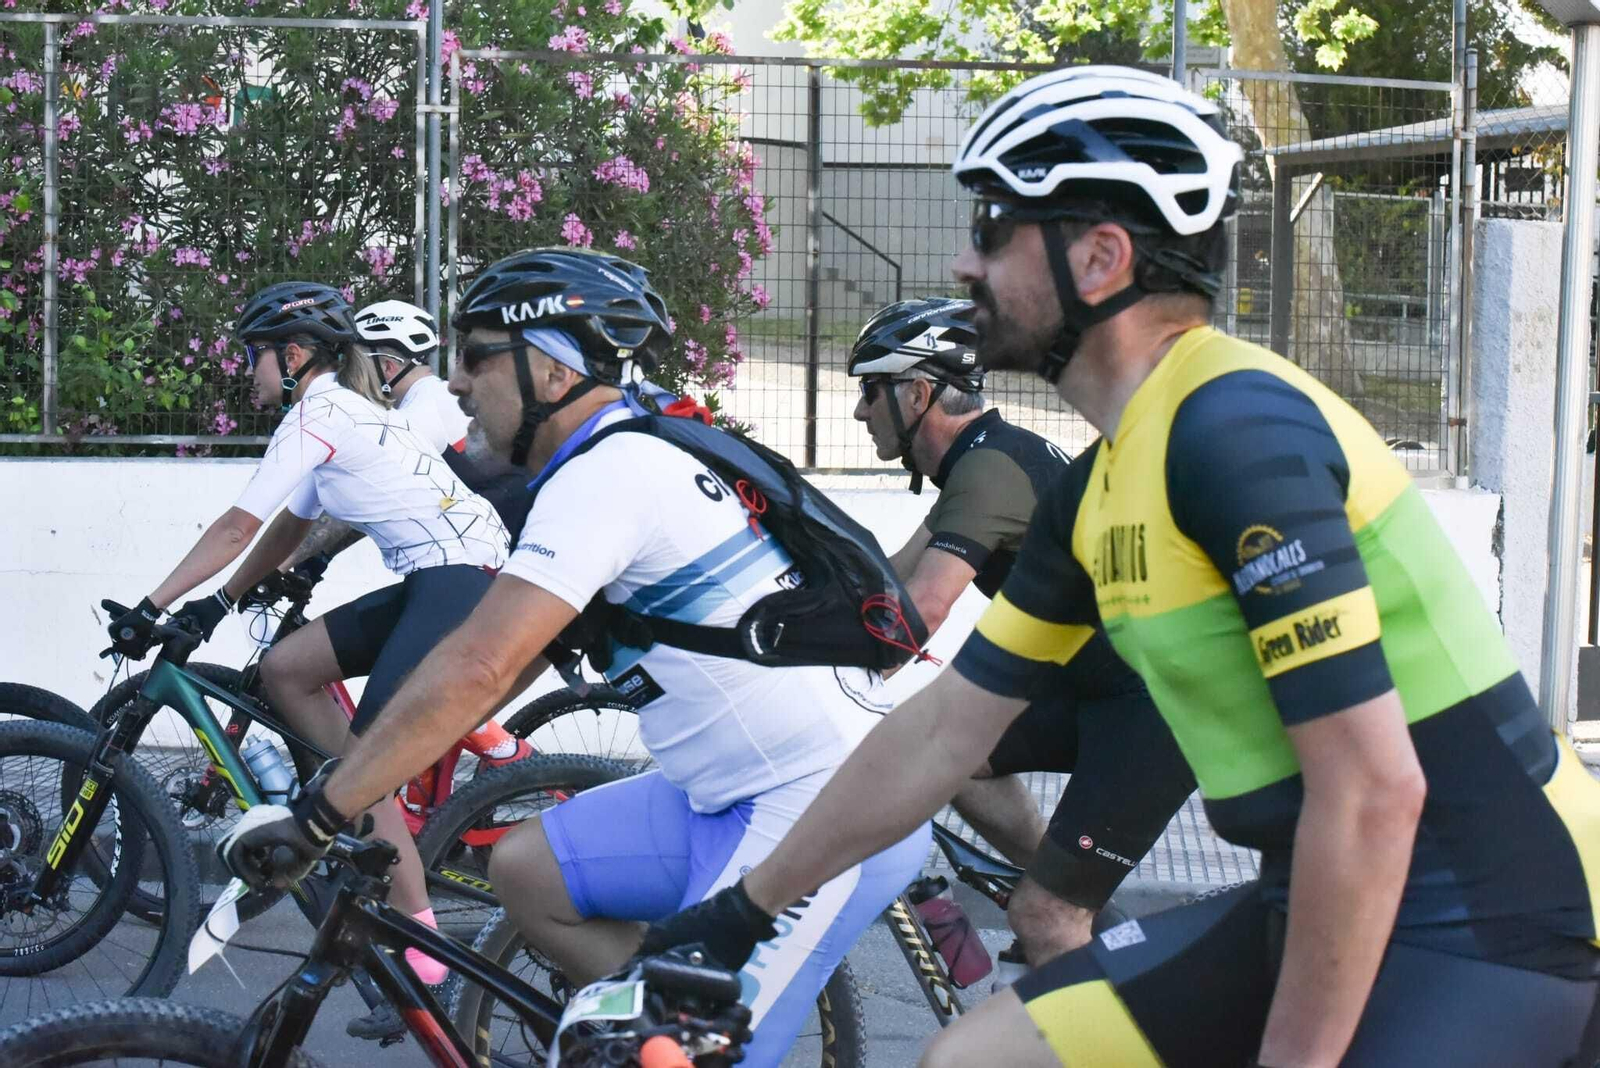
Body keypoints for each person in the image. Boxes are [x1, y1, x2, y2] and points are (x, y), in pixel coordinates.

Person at [630, 66, 1600, 1067]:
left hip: (1488, 911)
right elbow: (940, 735)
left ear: (1099, 258)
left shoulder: (1236, 429)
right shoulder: (1102, 482)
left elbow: (1371, 790)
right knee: (974, 1057)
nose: (965, 264)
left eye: (993, 227)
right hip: (1314, 887)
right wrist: (745, 909)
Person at [218, 247, 929, 1068]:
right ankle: (659, 1011)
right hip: (720, 799)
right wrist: (360, 785)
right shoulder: (613, 454)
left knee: (665, 1054)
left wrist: (319, 815)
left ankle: (670, 1032)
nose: (453, 384)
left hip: (818, 810)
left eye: (477, 357)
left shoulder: (615, 472)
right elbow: (501, 667)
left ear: (552, 374)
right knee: (526, 873)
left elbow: (479, 667)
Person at [111, 281, 509, 997]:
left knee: (371, 763)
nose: (248, 371)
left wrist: (152, 604)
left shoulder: (319, 414)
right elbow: (287, 527)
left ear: (293, 355)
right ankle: (349, 802)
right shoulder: (338, 411)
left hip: (462, 579)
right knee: (287, 667)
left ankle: (425, 958)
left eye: (255, 357)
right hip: (444, 574)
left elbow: (237, 527)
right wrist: (218, 604)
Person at [842, 296, 1193, 966]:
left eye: (869, 390)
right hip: (1096, 686)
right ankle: (1102, 926)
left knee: (1043, 916)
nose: (860, 410)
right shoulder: (986, 459)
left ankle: (1079, 952)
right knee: (953, 755)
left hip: (1153, 706)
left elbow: (922, 607)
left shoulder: (989, 472)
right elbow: (885, 583)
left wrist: (837, 687)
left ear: (917, 392)